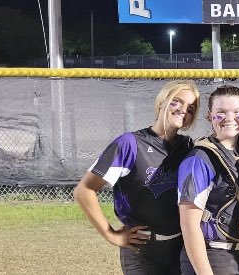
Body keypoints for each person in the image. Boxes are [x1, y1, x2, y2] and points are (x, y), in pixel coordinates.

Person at [73, 80, 200, 274]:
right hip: (141, 250)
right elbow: (84, 190)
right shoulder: (130, 144)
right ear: (161, 102)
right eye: (177, 101)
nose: (183, 110)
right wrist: (110, 234)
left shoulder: (188, 147)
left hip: (179, 248)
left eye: (191, 108)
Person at [177, 85, 239, 275]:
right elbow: (189, 225)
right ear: (209, 115)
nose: (229, 118)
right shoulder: (199, 159)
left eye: (237, 112)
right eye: (221, 112)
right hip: (214, 255)